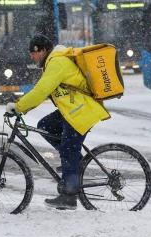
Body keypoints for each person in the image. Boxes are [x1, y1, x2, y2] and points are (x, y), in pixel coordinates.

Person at [6, 34, 110, 210]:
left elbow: (41, 90)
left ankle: (69, 197)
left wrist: (18, 106)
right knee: (45, 126)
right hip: (73, 110)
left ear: (44, 50)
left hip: (81, 111)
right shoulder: (53, 62)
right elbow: (43, 92)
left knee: (68, 148)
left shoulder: (57, 63)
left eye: (34, 52)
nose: (31, 56)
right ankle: (76, 164)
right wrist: (23, 107)